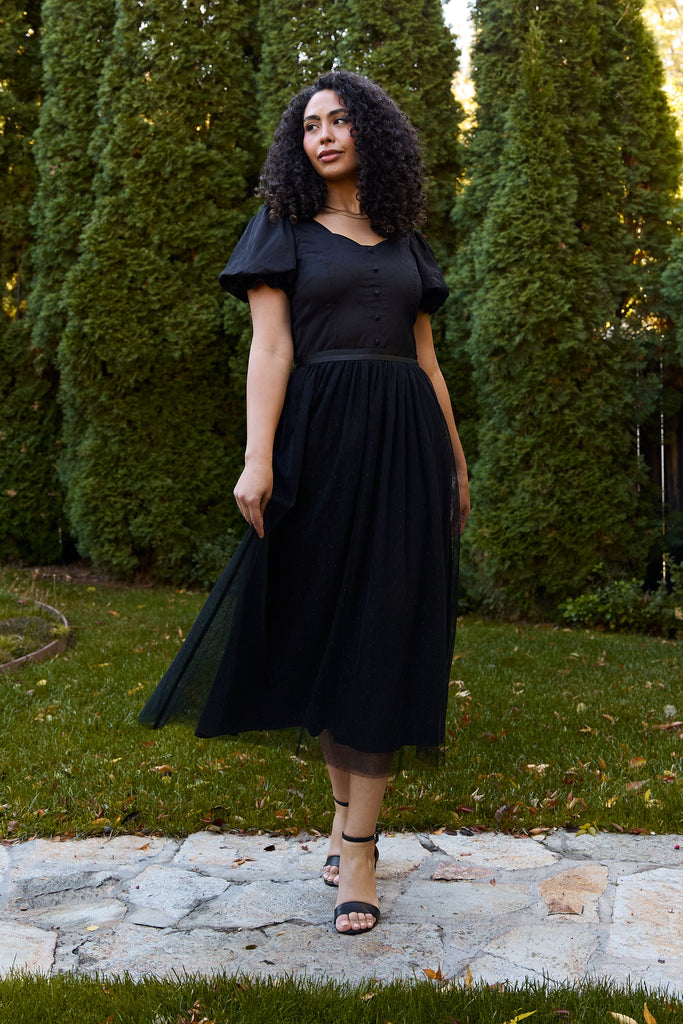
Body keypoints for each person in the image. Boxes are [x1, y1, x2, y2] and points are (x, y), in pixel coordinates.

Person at [139, 70, 469, 936]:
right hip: (318, 446)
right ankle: (342, 813)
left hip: (405, 448)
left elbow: (427, 363)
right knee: (327, 627)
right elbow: (272, 350)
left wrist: (457, 464)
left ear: (372, 134)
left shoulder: (403, 239)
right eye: (309, 125)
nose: (322, 134)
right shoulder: (282, 231)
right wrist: (258, 460)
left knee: (388, 628)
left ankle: (359, 843)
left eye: (339, 120)